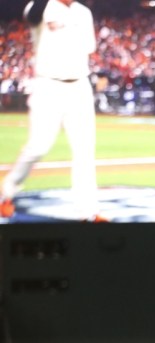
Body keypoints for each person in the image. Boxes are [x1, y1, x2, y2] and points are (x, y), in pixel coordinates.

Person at [0, 0, 106, 222]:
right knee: (38, 146)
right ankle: (5, 194)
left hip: (79, 85)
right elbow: (30, 16)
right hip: (48, 85)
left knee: (84, 149)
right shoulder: (41, 7)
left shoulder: (83, 12)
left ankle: (88, 211)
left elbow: (89, 48)